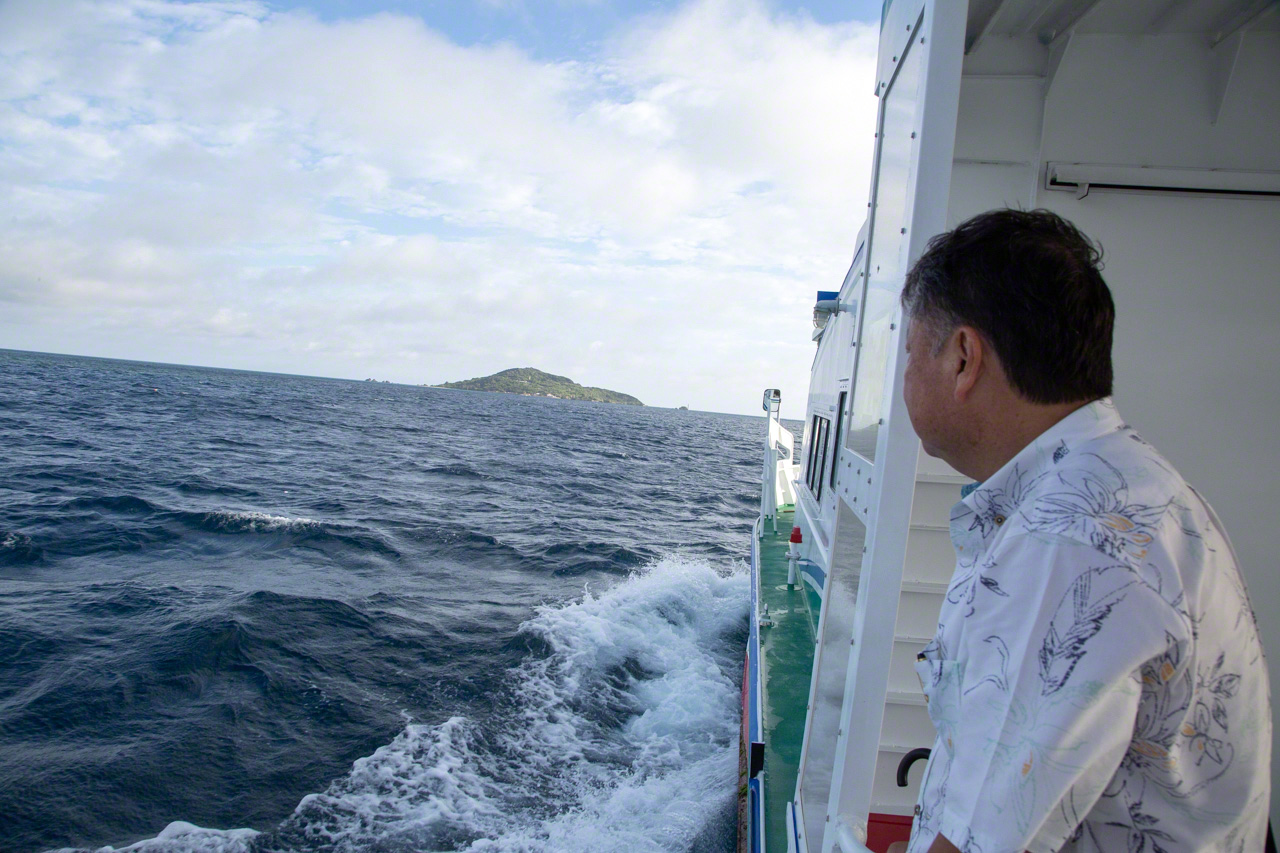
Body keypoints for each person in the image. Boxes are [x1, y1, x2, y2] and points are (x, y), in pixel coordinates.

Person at [888, 209, 1271, 853]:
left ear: (962, 358)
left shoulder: (1064, 543)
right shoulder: (1127, 485)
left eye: (907, 353)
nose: (902, 379)